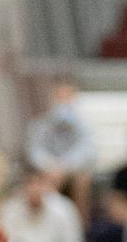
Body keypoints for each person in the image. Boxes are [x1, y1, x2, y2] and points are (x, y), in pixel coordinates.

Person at [26, 75, 97, 222]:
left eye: (68, 96)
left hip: (72, 171)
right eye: (60, 96)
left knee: (82, 180)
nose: (64, 101)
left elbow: (86, 152)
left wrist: (64, 166)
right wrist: (51, 166)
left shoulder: (84, 126)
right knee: (46, 180)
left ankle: (79, 228)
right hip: (48, 171)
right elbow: (34, 152)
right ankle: (49, 224)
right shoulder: (40, 125)